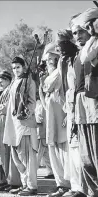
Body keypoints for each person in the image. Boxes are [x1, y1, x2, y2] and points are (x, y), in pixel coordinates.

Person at [70, 10, 98, 197]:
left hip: (94, 103)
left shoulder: (95, 44)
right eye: (74, 33)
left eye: (81, 30)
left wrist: (95, 34)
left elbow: (90, 56)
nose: (78, 36)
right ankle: (91, 191)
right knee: (85, 153)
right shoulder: (77, 55)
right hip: (80, 105)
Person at [39, 43, 71, 197]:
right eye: (47, 59)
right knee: (54, 150)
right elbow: (45, 103)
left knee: (65, 150)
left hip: (63, 117)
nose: (48, 62)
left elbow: (60, 90)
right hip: (51, 119)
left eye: (51, 58)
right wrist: (41, 86)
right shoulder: (48, 76)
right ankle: (61, 185)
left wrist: (67, 114)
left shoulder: (61, 72)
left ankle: (71, 185)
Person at [3, 57, 38, 196]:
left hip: (25, 123)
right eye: (13, 68)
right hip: (13, 123)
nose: (16, 70)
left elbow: (32, 102)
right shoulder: (13, 83)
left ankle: (32, 186)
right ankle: (24, 184)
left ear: (23, 67)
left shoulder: (29, 81)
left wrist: (25, 113)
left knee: (26, 156)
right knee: (16, 156)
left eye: (18, 67)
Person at [56, 29, 84, 197]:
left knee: (80, 148)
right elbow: (63, 87)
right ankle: (75, 186)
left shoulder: (79, 57)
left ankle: (82, 187)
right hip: (70, 107)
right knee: (72, 147)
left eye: (63, 44)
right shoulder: (64, 61)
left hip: (80, 106)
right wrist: (66, 109)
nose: (60, 49)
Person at [0, 71, 22, 192]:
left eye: (3, 80)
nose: (0, 83)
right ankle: (6, 180)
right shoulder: (2, 92)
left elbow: (6, 108)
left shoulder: (10, 90)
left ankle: (14, 182)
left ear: (8, 80)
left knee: (8, 153)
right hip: (0, 125)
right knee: (2, 154)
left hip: (7, 124)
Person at [35, 97, 54, 179]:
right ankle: (51, 171)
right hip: (43, 132)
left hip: (40, 132)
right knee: (46, 154)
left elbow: (39, 119)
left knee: (37, 154)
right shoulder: (42, 103)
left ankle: (32, 172)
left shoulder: (40, 104)